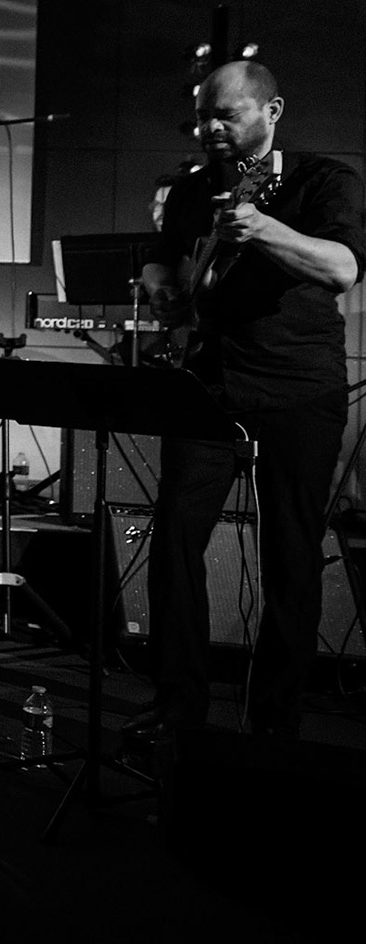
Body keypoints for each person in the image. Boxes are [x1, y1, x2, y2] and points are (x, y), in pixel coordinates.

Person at [129, 61, 365, 741]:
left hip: (298, 386)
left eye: (226, 116)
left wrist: (261, 228)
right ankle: (179, 706)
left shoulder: (324, 180)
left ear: (273, 111)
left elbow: (342, 268)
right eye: (205, 116)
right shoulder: (193, 189)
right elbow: (164, 256)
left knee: (290, 557)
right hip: (209, 380)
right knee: (172, 540)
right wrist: (160, 281)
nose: (212, 129)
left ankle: (275, 720)